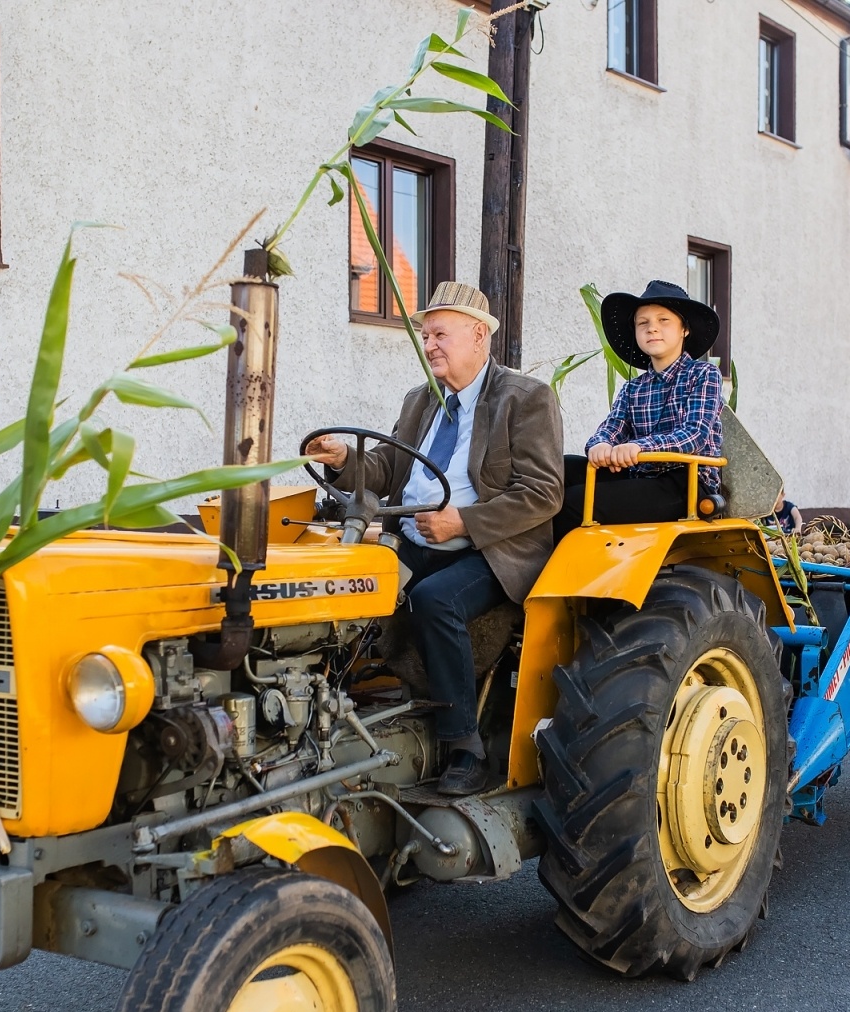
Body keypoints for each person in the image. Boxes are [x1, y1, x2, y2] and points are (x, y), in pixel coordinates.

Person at [304, 282, 563, 796]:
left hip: (493, 549)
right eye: (425, 336)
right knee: (338, 582)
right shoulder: (419, 399)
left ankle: (464, 746)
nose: (431, 346)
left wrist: (462, 521)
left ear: (479, 338)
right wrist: (341, 460)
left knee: (432, 600)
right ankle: (325, 719)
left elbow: (543, 492)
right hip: (416, 537)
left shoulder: (525, 398)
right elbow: (386, 468)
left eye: (440, 334)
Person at [553, 280, 722, 536]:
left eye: (663, 320)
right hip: (641, 478)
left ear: (684, 329)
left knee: (573, 502)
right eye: (643, 323)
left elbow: (694, 435)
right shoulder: (633, 388)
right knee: (557, 471)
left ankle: (537, 568)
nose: (652, 328)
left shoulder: (702, 374)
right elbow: (612, 428)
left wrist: (640, 446)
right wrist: (599, 445)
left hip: (685, 483)